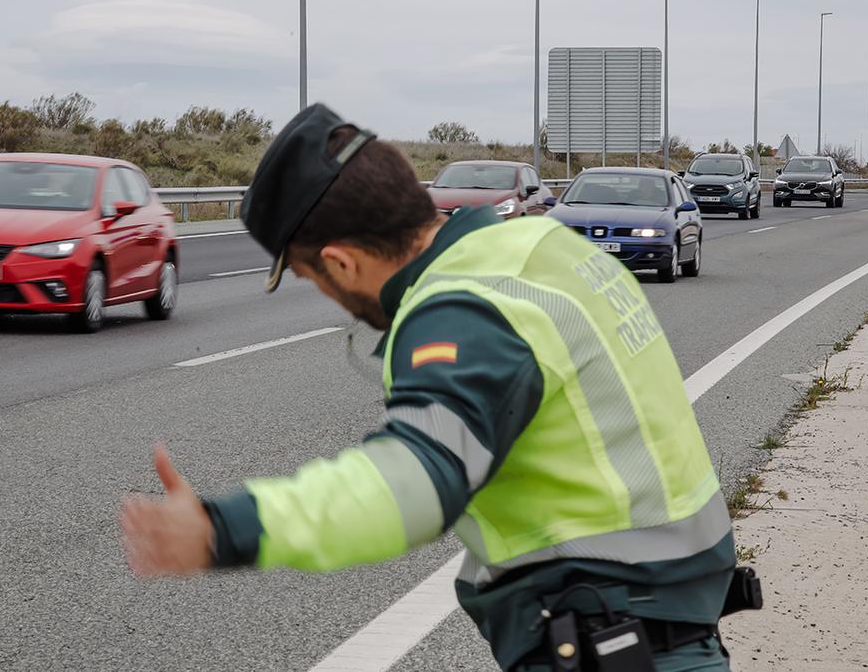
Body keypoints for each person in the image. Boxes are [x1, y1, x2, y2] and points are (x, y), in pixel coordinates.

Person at [120, 104, 737, 671]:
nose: (328, 295)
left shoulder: (464, 309)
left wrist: (221, 529)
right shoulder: (542, 247)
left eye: (312, 276)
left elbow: (413, 485)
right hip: (675, 626)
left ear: (338, 261)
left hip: (612, 634)